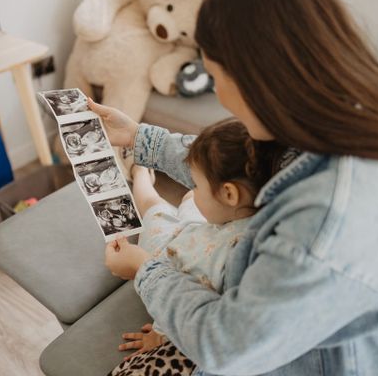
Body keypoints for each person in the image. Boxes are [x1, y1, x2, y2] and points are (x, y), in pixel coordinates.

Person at [89, 0, 378, 375]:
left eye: (214, 74)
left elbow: (225, 347)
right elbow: (243, 163)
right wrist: (140, 137)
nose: (217, 92)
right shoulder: (369, 118)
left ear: (254, 79)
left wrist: (145, 271)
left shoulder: (326, 223)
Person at [109, 119, 275, 374]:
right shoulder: (260, 214)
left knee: (153, 207)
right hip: (209, 228)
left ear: (229, 194)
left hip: (174, 247)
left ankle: (140, 174)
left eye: (196, 183)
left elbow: (183, 304)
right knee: (189, 201)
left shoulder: (214, 264)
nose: (193, 187)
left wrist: (158, 336)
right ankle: (149, 176)